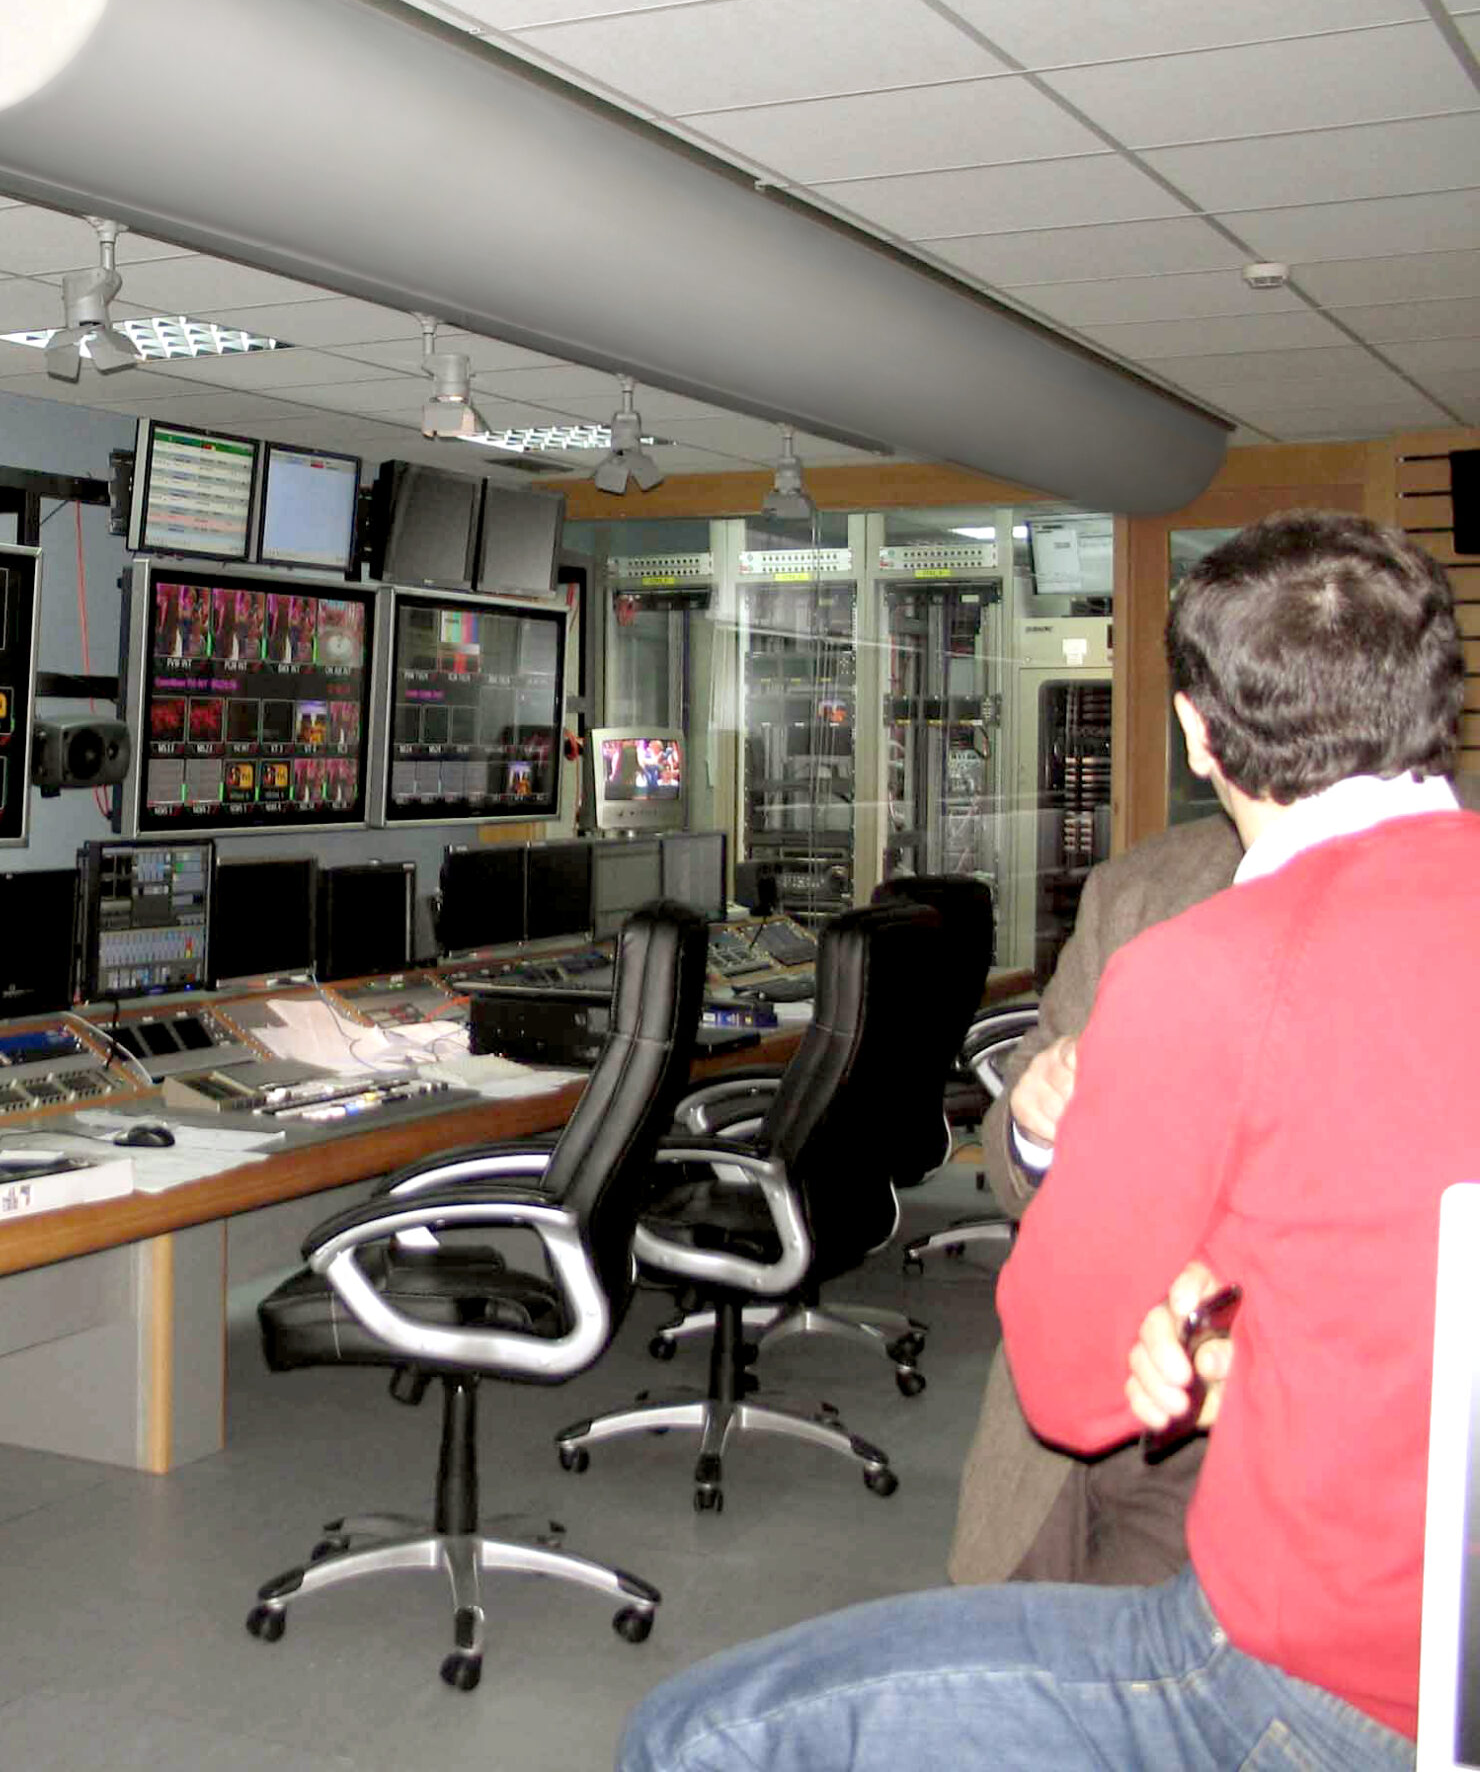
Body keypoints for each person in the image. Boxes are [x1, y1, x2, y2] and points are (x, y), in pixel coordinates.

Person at [620, 511, 1480, 1771]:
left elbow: (1074, 1389)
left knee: (698, 1734)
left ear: (1195, 732)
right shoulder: (1163, 901)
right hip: (1422, 1651)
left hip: (1306, 1672)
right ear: (1438, 702)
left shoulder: (1208, 967)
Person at [947, 812, 1241, 1588]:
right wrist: (1033, 1123)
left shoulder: (1433, 904)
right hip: (1065, 1425)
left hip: (1246, 1453)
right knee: (1006, 1646)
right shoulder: (1140, 890)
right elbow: (1009, 1159)